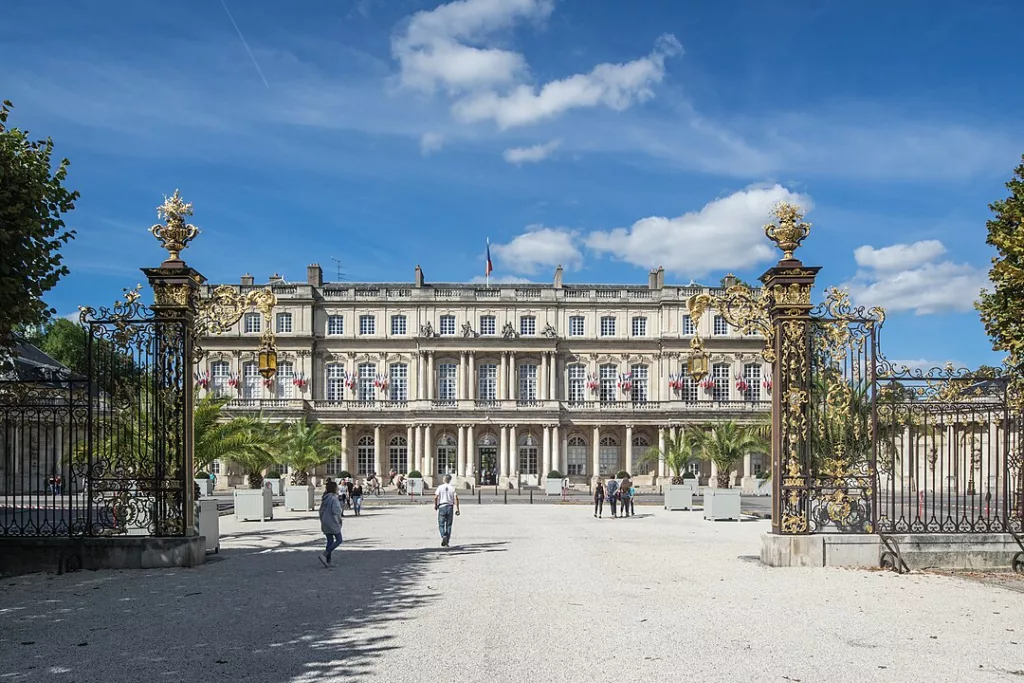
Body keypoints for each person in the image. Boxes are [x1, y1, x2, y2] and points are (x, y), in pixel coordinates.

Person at [318, 481, 343, 569]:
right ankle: (324, 554)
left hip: (325, 521)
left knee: (330, 541)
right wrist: (339, 521)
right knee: (339, 540)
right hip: (333, 521)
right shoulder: (333, 498)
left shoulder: (324, 498)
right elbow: (336, 511)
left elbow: (320, 511)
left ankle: (328, 562)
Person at [434, 473, 460, 547]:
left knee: (441, 524)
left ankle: (443, 536)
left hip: (442, 506)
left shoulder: (440, 487)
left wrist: (436, 505)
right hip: (450, 507)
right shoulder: (452, 488)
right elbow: (456, 498)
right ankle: (447, 541)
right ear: (449, 480)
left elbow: (435, 497)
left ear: (443, 480)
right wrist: (457, 509)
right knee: (449, 525)